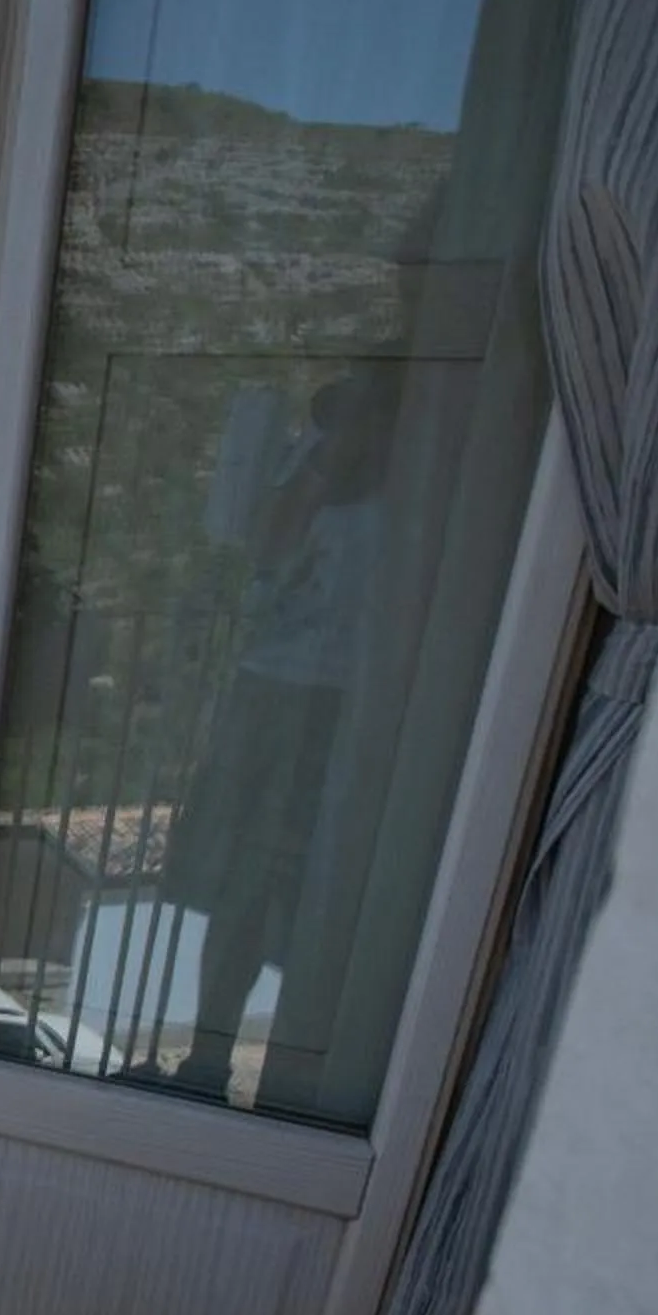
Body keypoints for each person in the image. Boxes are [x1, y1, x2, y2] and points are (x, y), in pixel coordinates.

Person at [136, 361, 401, 1102]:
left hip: (348, 701)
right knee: (239, 881)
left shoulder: (423, 478)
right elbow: (264, 550)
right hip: (271, 687)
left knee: (313, 880)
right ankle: (209, 1056)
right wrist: (321, 463)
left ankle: (304, 1076)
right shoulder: (317, 463)